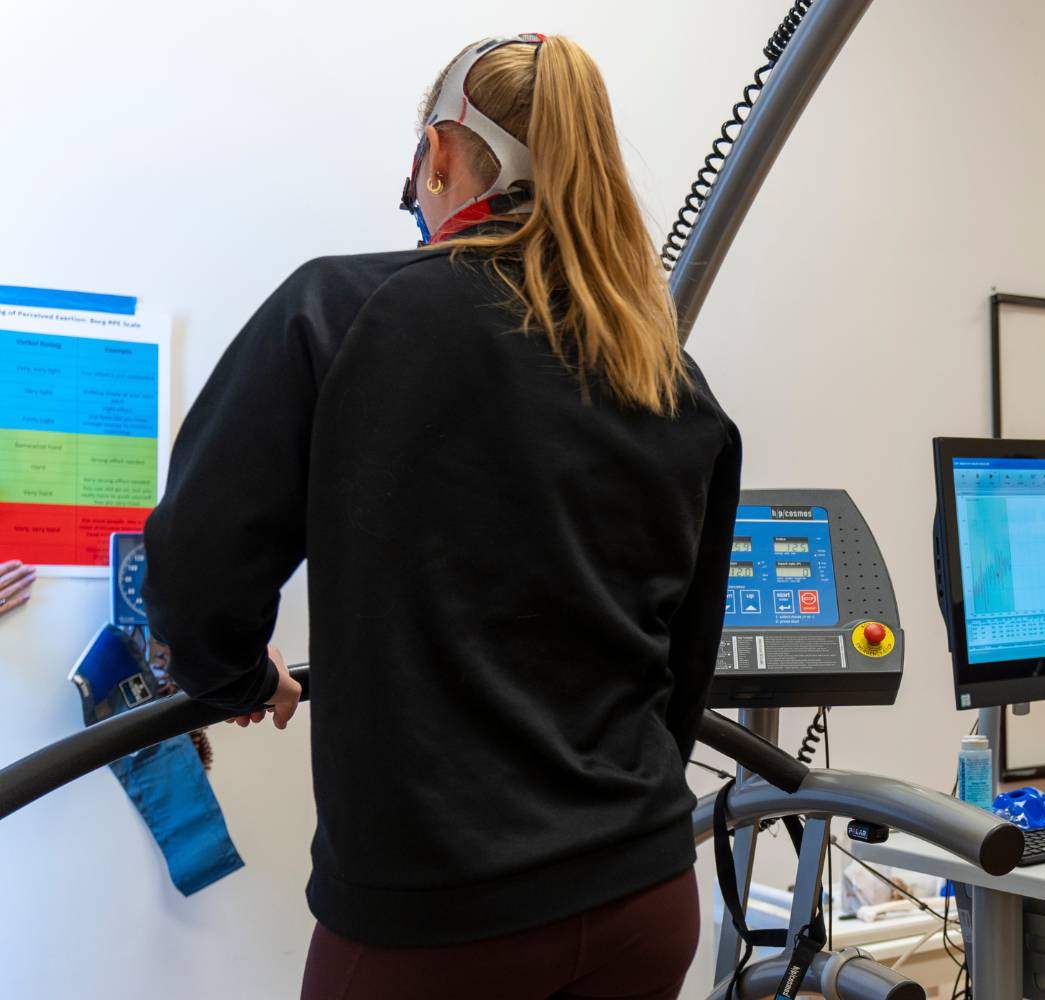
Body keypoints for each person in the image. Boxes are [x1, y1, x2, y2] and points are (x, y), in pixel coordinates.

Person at [142, 34, 741, 1000]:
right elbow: (684, 661)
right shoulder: (668, 374)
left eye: (417, 169)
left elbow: (194, 568)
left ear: (445, 153)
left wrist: (234, 676)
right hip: (644, 891)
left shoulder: (341, 312)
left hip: (440, 917)